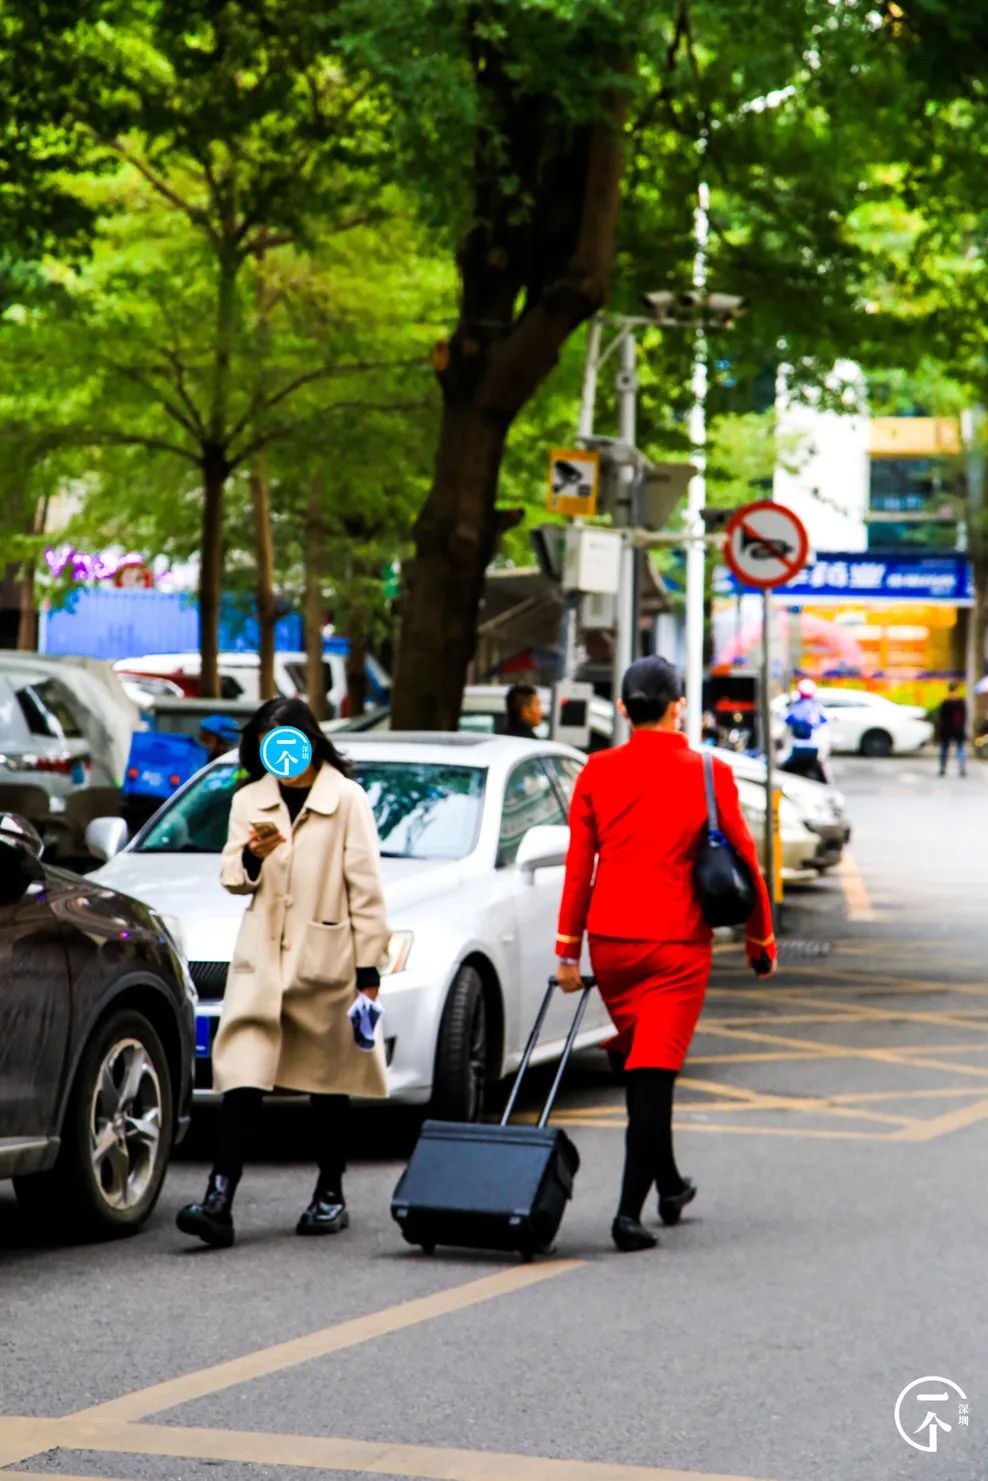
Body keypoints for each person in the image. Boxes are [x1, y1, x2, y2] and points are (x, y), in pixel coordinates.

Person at [554, 656, 776, 1254]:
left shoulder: (596, 771)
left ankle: (671, 1184)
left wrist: (567, 953)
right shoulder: (709, 772)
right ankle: (628, 1214)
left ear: (623, 708)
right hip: (678, 948)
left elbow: (579, 870)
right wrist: (760, 938)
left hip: (614, 946)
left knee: (649, 1068)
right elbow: (747, 863)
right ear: (678, 705)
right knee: (650, 1078)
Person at [177, 697, 390, 1249]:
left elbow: (365, 889)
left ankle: (330, 1193)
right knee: (242, 1077)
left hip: (327, 959)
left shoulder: (346, 799)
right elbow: (232, 877)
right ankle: (218, 1200)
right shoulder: (250, 799)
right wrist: (252, 856)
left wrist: (369, 971)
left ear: (310, 741)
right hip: (261, 961)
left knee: (328, 1081)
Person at [781, 679, 829, 784]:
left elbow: (786, 720)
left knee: (783, 774)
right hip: (812, 749)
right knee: (824, 776)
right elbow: (824, 720)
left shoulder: (794, 707)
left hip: (796, 748)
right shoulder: (816, 707)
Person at [937, 683, 968, 777]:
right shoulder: (946, 703)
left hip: (957, 729)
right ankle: (943, 767)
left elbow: (964, 717)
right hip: (947, 730)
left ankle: (962, 767)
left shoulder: (960, 703)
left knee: (960, 749)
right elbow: (941, 718)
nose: (953, 694)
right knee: (944, 749)